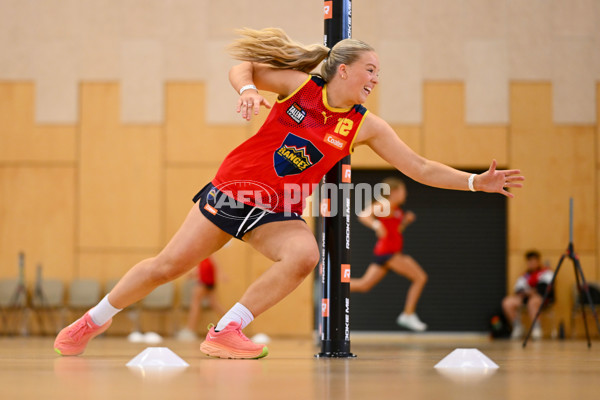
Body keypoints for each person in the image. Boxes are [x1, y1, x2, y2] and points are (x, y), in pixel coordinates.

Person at [54, 27, 524, 359]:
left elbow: (419, 167)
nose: (376, 78)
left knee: (303, 255)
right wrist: (246, 91)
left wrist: (472, 182)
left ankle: (226, 329)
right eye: (370, 69)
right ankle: (94, 319)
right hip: (233, 190)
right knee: (165, 267)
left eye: (379, 72)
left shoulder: (364, 125)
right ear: (343, 71)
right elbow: (246, 66)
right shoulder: (299, 88)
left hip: (278, 210)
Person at [350, 177, 428, 331]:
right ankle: (408, 314)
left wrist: (405, 222)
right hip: (389, 252)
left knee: (364, 285)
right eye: (403, 190)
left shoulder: (396, 209)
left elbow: (395, 231)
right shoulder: (385, 204)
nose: (405, 193)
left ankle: (335, 285)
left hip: (387, 252)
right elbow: (364, 215)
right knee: (420, 277)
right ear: (394, 192)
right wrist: (376, 224)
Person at [501, 250, 553, 340]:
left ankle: (536, 328)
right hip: (526, 298)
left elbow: (545, 288)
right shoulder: (524, 276)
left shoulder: (546, 273)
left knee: (533, 302)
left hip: (542, 298)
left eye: (534, 261)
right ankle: (517, 327)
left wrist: (534, 291)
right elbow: (518, 289)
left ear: (538, 261)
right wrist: (525, 293)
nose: (532, 263)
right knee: (507, 302)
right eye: (530, 261)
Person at [176, 256, 226, 341]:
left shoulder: (205, 251)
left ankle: (190, 330)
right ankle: (233, 323)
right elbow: (208, 264)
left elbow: (211, 263)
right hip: (208, 279)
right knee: (214, 304)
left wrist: (220, 273)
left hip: (205, 280)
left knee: (195, 304)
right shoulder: (207, 252)